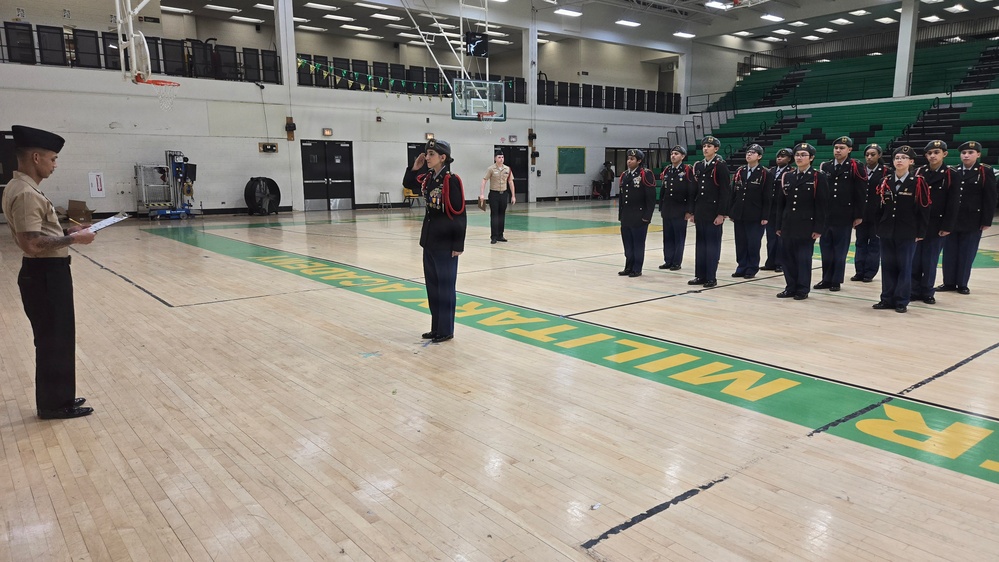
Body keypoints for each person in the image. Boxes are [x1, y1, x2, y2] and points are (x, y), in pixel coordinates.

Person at [2, 125, 96, 419]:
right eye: (53, 158)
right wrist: (73, 239)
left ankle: (60, 397)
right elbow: (31, 243)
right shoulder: (27, 194)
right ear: (36, 157)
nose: (55, 164)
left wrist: (68, 231)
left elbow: (41, 232)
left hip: (48, 272)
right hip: (44, 274)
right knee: (53, 339)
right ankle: (54, 405)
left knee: (59, 337)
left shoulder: (23, 188)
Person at [402, 139, 467, 343]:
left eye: (431, 154)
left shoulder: (451, 180)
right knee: (433, 287)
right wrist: (414, 168)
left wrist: (458, 245)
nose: (427, 157)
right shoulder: (429, 178)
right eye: (427, 153)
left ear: (443, 157)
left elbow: (459, 214)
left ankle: (446, 329)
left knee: (445, 288)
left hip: (446, 244)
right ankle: (436, 326)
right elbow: (408, 183)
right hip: (429, 241)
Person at [872, 146, 931, 313]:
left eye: (903, 158)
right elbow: (879, 208)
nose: (899, 160)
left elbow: (924, 209)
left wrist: (920, 232)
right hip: (887, 231)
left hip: (907, 232)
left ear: (911, 162)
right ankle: (886, 298)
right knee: (888, 265)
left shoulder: (918, 182)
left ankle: (901, 300)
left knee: (904, 267)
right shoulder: (885, 181)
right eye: (897, 157)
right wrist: (879, 227)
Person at [937, 141, 997, 295]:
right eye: (964, 153)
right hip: (953, 219)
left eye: (970, 153)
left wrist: (986, 220)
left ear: (978, 154)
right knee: (949, 252)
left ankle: (962, 283)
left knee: (967, 252)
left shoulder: (984, 171)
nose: (966, 155)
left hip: (973, 219)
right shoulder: (954, 171)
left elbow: (990, 197)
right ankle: (949, 282)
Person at [775, 143, 828, 301]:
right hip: (788, 224)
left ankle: (802, 289)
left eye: (803, 155)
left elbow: (822, 205)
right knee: (787, 258)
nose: (799, 157)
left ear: (811, 158)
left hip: (806, 225)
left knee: (803, 259)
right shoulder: (788, 176)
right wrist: (778, 225)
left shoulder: (818, 177)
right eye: (797, 155)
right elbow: (781, 204)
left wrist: (818, 228)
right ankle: (790, 287)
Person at [911, 140, 959, 304]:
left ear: (944, 154)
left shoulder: (951, 174)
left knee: (930, 260)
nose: (932, 156)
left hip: (937, 224)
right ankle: (914, 290)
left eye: (936, 152)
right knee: (915, 259)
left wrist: (947, 226)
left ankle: (927, 292)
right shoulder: (919, 171)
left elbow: (953, 203)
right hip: (919, 223)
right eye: (929, 153)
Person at [816, 136, 866, 292]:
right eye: (836, 147)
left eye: (842, 148)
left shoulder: (855, 166)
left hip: (845, 214)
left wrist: (858, 215)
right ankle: (826, 278)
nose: (838, 150)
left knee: (840, 249)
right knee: (826, 248)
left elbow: (861, 192)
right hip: (827, 215)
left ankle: (836, 280)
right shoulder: (826, 166)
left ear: (849, 150)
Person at [688, 135, 731, 288]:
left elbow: (725, 192)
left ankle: (711, 277)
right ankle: (700, 275)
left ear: (716, 149)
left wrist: (721, 214)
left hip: (713, 213)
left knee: (712, 246)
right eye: (704, 146)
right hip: (700, 211)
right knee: (700, 245)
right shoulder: (699, 166)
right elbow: (694, 190)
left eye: (709, 146)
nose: (706, 148)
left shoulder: (720, 166)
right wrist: (692, 212)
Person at [729, 144, 772, 279]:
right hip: (740, 213)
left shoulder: (765, 173)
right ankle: (741, 266)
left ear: (759, 156)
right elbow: (733, 192)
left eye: (753, 153)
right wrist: (731, 211)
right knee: (740, 242)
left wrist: (765, 215)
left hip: (756, 215)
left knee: (753, 243)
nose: (749, 155)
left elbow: (767, 196)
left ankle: (752, 267)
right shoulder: (740, 171)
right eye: (748, 152)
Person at [853, 143, 889, 283]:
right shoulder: (859, 170)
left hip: (877, 215)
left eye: (872, 154)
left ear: (879, 155)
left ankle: (869, 272)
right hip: (861, 214)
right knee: (860, 243)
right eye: (867, 154)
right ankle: (859, 271)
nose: (869, 157)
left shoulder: (886, 171)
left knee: (874, 244)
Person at [617, 149, 657, 277]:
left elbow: (650, 198)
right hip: (627, 216)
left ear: (639, 161)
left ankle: (637, 268)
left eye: (632, 159)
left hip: (639, 216)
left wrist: (647, 216)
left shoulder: (645, 174)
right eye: (628, 159)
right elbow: (622, 198)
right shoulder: (625, 175)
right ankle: (628, 266)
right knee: (627, 244)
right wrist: (621, 215)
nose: (629, 161)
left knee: (638, 245)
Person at [658, 145, 694, 271]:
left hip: (680, 209)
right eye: (672, 153)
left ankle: (676, 261)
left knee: (678, 237)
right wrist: (661, 207)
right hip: (668, 208)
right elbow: (664, 189)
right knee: (667, 236)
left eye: (676, 154)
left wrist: (689, 210)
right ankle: (668, 260)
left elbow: (691, 192)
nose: (673, 156)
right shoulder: (668, 170)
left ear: (683, 156)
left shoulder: (687, 170)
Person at [763, 147, 792, 273]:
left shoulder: (791, 172)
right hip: (771, 208)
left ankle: (780, 263)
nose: (779, 158)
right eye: (778, 156)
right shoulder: (771, 171)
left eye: (783, 156)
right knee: (771, 238)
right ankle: (770, 262)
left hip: (783, 208)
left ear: (789, 159)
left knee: (781, 238)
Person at [479, 150, 516, 244]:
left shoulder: (507, 169)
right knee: (494, 215)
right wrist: (482, 194)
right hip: (494, 194)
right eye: (499, 157)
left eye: (502, 157)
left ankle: (500, 235)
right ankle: (493, 236)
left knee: (502, 215)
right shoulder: (491, 169)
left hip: (503, 194)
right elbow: (484, 180)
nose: (501, 159)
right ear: (495, 158)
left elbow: (511, 182)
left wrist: (513, 196)